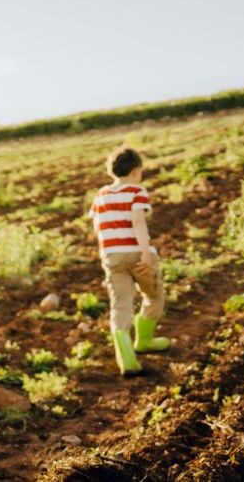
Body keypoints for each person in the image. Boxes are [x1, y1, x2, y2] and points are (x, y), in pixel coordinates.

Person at [89, 146, 170, 375]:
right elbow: (138, 223)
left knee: (121, 305)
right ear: (136, 171)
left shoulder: (101, 195)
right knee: (154, 295)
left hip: (111, 256)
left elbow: (97, 227)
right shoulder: (136, 191)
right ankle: (144, 341)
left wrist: (109, 251)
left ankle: (127, 360)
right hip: (137, 253)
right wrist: (145, 253)